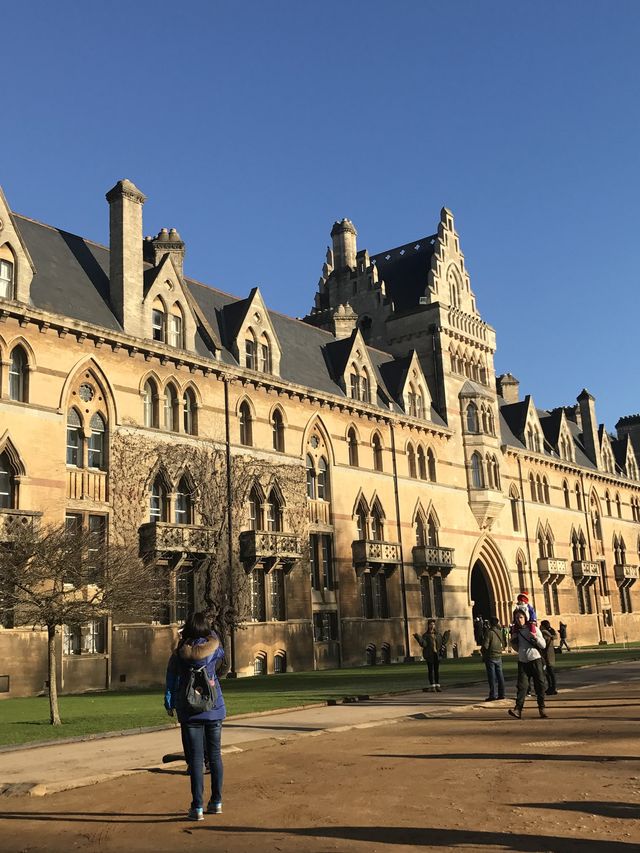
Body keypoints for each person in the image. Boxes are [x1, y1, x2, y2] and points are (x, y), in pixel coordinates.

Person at [165, 612, 226, 821]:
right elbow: (222, 653)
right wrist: (211, 631)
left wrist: (170, 702)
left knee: (197, 760)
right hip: (214, 708)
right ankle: (216, 802)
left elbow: (171, 679)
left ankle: (197, 807)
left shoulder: (180, 653)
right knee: (215, 756)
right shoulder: (214, 649)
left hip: (190, 710)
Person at [508, 609, 548, 719]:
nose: (519, 620)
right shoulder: (516, 632)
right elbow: (517, 648)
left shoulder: (533, 628)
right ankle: (518, 710)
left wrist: (535, 637)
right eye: (516, 618)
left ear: (525, 618)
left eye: (520, 617)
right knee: (522, 687)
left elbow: (543, 645)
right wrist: (513, 641)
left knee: (539, 685)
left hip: (535, 659)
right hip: (523, 661)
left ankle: (541, 708)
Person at [481, 616, 506, 701]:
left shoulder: (489, 632)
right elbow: (504, 643)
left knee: (492, 676)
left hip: (490, 656)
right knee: (500, 675)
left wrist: (483, 653)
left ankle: (493, 695)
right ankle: (502, 694)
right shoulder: (500, 632)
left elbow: (485, 645)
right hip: (499, 655)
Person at [414, 619, 443, 692]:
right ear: (428, 625)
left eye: (433, 624)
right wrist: (418, 638)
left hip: (437, 654)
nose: (432, 626)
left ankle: (437, 685)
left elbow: (441, 643)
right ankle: (432, 685)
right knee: (431, 670)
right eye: (431, 624)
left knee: (436, 670)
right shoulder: (426, 635)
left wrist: (446, 635)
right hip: (429, 655)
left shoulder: (438, 634)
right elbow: (424, 644)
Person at [540, 620, 558, 695]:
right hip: (551, 654)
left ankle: (552, 688)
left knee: (549, 673)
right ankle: (552, 687)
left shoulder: (544, 634)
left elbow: (543, 644)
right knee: (550, 672)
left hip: (546, 655)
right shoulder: (551, 633)